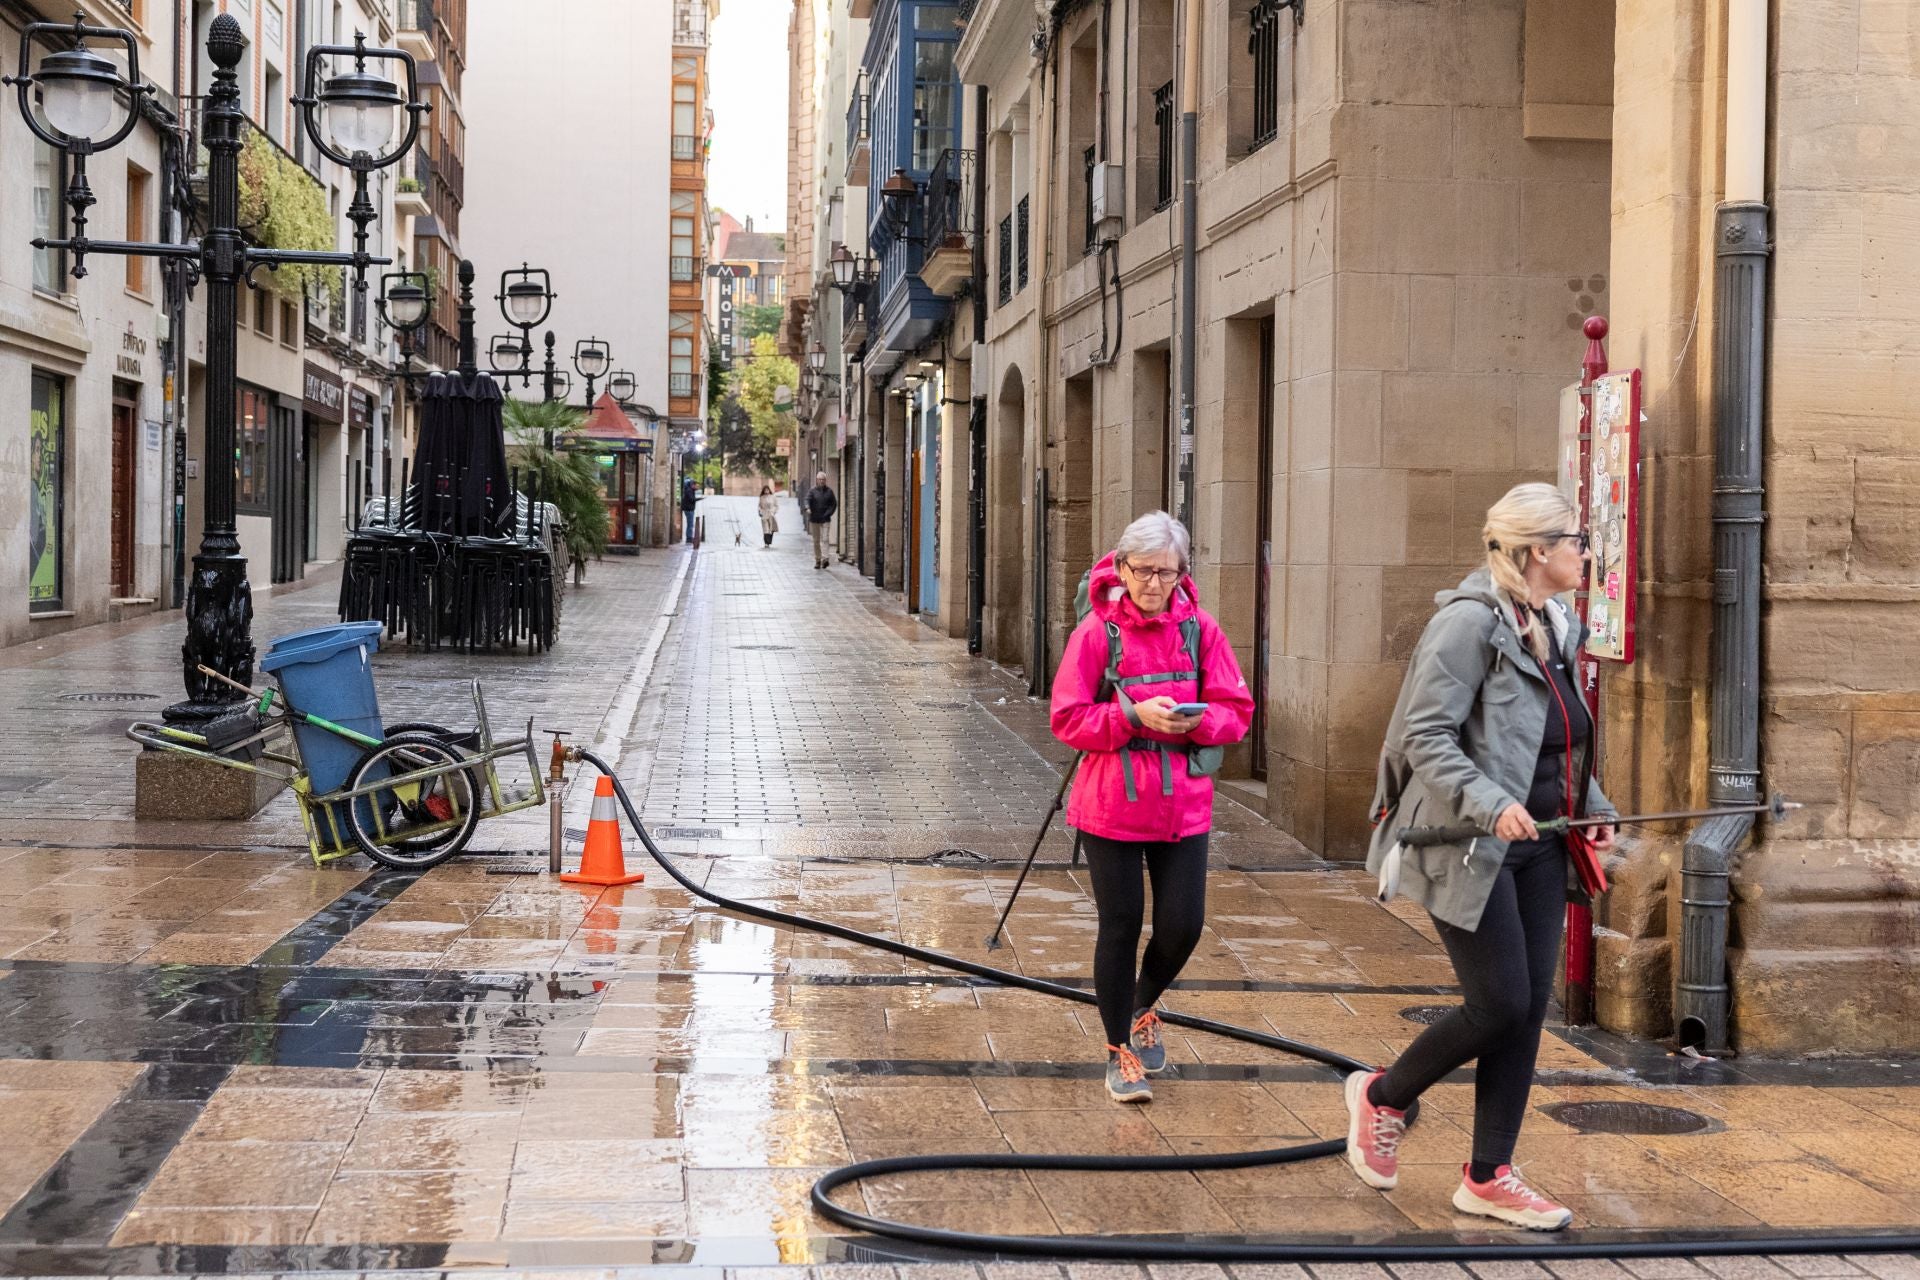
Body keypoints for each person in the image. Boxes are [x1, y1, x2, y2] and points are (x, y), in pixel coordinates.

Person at [1347, 482, 1617, 1231]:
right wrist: (1491, 803)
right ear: (1538, 551)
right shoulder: (1468, 624)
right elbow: (1424, 735)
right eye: (1577, 540)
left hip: (1542, 840)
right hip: (1465, 841)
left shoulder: (1555, 623)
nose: (1586, 552)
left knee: (1526, 1012)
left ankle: (1489, 1174)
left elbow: (1557, 739)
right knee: (1497, 1002)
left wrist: (1593, 806)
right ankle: (1382, 1096)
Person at [1049, 511, 1254, 1104]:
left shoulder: (1201, 630)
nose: (1154, 584)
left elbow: (1237, 710)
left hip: (1182, 804)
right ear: (1121, 568)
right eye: (1143, 571)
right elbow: (1066, 717)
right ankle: (1119, 1049)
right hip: (1111, 802)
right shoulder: (1097, 633)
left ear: (1183, 573)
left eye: (1167, 572)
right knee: (1120, 924)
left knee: (1183, 926)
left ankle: (1143, 1004)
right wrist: (1133, 716)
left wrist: (1198, 723)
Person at [805, 471, 838, 569]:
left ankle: (825, 559)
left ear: (825, 480)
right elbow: (807, 499)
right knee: (816, 540)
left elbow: (833, 504)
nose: (821, 481)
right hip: (815, 518)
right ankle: (818, 560)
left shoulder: (829, 491)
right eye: (820, 479)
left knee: (825, 539)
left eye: (823, 479)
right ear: (817, 480)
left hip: (825, 518)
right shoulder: (812, 491)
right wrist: (808, 508)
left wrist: (828, 513)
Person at [758, 482, 779, 548]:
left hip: (771, 515)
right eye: (765, 490)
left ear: (769, 490)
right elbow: (759, 506)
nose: (766, 491)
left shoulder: (773, 497)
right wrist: (760, 512)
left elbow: (776, 506)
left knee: (771, 529)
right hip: (764, 515)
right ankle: (766, 543)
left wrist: (774, 511)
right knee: (765, 529)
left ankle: (769, 542)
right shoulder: (761, 497)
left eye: (767, 490)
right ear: (763, 491)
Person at [680, 475, 697, 543]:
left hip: (689, 509)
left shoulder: (689, 490)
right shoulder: (689, 491)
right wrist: (697, 499)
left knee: (690, 524)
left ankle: (689, 537)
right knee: (690, 524)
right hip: (689, 509)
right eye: (694, 485)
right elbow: (691, 499)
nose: (696, 486)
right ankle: (689, 538)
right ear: (691, 485)